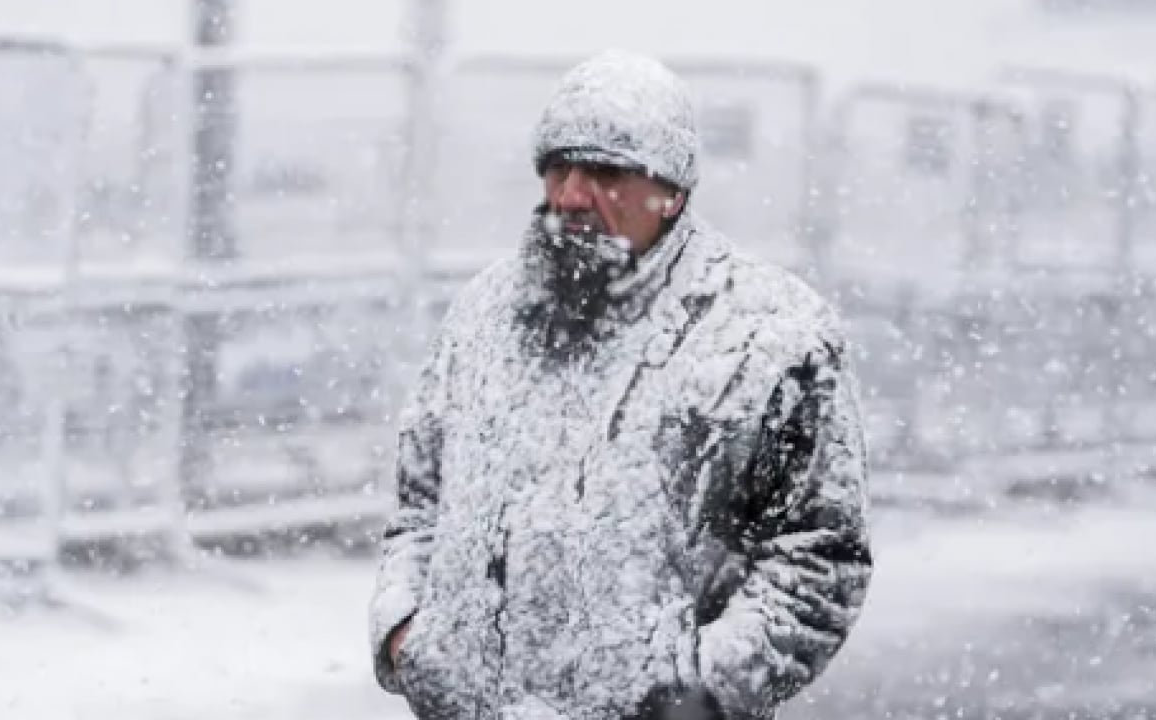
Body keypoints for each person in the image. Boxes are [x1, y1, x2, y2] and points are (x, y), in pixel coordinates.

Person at [369, 49, 872, 720]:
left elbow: (820, 555)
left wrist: (703, 689)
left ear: (673, 190)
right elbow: (420, 505)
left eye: (605, 172)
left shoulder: (772, 334)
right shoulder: (483, 314)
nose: (572, 196)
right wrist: (408, 634)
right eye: (558, 167)